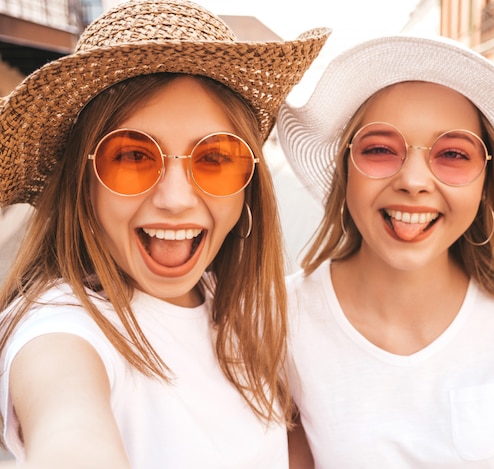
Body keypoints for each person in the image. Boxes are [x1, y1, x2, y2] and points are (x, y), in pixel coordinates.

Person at [0, 0, 329, 467]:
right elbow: (69, 428)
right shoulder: (60, 328)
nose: (176, 198)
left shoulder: (237, 308)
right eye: (133, 156)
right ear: (82, 184)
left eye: (215, 158)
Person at [277, 35, 494, 467]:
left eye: (454, 154)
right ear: (347, 169)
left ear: (485, 184)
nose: (414, 181)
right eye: (381, 149)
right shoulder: (280, 318)